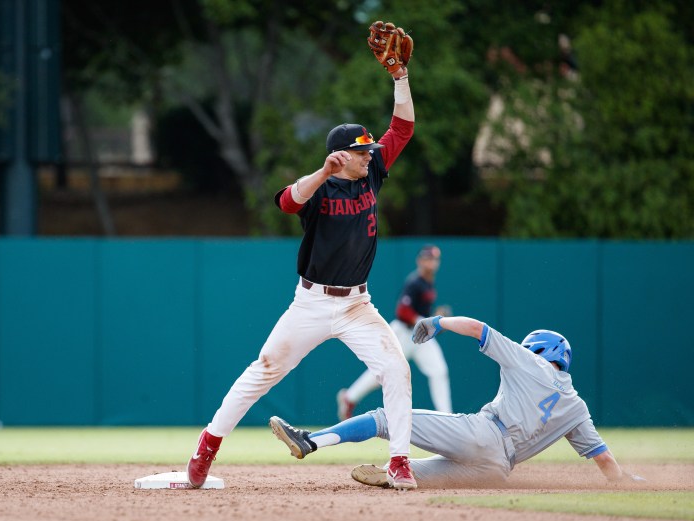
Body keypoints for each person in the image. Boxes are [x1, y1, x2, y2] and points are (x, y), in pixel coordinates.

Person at [186, 25, 418, 490]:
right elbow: (287, 202)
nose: (370, 155)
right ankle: (205, 451)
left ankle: (399, 463)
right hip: (311, 303)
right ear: (340, 156)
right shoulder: (322, 186)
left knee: (396, 368)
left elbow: (403, 127)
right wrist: (322, 170)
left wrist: (400, 77)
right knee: (263, 371)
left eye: (369, 151)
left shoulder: (372, 175)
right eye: (360, 152)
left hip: (357, 305)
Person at [269, 315, 646, 488]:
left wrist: (438, 323)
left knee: (387, 416)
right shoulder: (576, 406)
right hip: (497, 471)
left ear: (539, 350)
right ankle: (391, 474)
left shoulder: (530, 361)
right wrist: (629, 482)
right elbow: (605, 461)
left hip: (483, 434)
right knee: (408, 474)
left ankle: (311, 440)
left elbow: (480, 329)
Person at [337, 244, 453, 420]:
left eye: (435, 259)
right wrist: (426, 321)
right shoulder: (414, 282)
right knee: (383, 371)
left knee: (439, 371)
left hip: (421, 336)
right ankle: (349, 398)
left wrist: (433, 318)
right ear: (420, 260)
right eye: (428, 258)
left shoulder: (429, 283)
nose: (432, 262)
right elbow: (402, 311)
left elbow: (418, 313)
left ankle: (447, 418)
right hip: (403, 334)